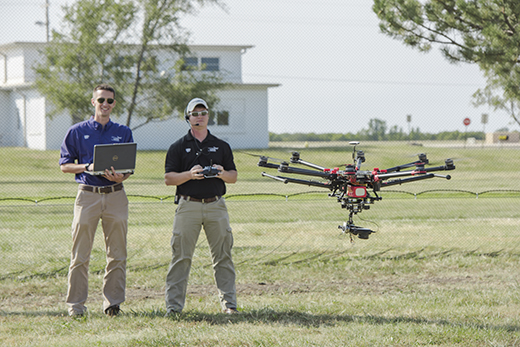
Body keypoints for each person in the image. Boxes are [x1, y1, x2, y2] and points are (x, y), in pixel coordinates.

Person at [59, 84, 134, 317]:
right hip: (87, 195)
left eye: (110, 101)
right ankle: (76, 306)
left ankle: (112, 304)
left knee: (117, 253)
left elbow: (129, 167)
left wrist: (122, 175)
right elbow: (64, 165)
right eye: (101, 100)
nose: (105, 104)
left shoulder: (123, 132)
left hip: (116, 195)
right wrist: (87, 167)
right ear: (93, 102)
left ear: (113, 104)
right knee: (80, 254)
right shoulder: (77, 131)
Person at [164, 97, 238, 315]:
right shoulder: (178, 147)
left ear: (208, 116)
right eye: (195, 113)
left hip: (216, 205)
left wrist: (221, 172)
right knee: (181, 257)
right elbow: (169, 179)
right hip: (188, 206)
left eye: (203, 112)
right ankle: (174, 307)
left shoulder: (222, 146)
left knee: (223, 256)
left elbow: (233, 177)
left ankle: (229, 305)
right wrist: (190, 175)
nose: (199, 117)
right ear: (188, 117)